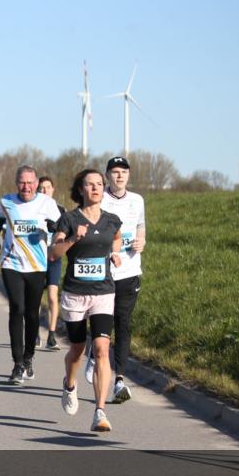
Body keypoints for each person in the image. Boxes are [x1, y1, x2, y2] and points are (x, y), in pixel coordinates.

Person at [49, 168, 123, 432]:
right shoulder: (69, 219)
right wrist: (73, 238)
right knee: (78, 350)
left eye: (99, 184)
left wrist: (115, 254)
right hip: (75, 294)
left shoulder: (112, 220)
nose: (95, 189)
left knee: (102, 349)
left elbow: (115, 239)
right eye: (89, 185)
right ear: (80, 190)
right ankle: (70, 383)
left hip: (104, 292)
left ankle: (99, 412)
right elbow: (53, 254)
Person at [0, 166, 61, 385]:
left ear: (37, 183)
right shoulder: (6, 201)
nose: (26, 187)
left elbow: (62, 226)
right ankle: (17, 363)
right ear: (16, 182)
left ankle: (29, 357)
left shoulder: (47, 204)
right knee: (17, 309)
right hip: (11, 262)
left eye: (30, 183)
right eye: (22, 182)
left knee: (31, 314)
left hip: (37, 265)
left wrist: (53, 226)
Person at [84, 156, 145, 403]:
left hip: (130, 272)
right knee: (103, 324)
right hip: (104, 273)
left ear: (129, 175)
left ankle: (119, 379)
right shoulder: (100, 199)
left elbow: (140, 225)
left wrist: (142, 240)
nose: (120, 176)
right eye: (115, 172)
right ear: (107, 175)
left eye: (124, 172)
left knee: (123, 323)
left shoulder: (137, 200)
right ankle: (94, 353)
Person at [37, 176, 65, 350]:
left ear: (53, 189)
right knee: (36, 299)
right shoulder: (34, 208)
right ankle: (34, 333)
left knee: (53, 297)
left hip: (54, 258)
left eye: (48, 187)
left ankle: (52, 336)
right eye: (41, 188)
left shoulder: (61, 209)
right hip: (37, 258)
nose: (45, 190)